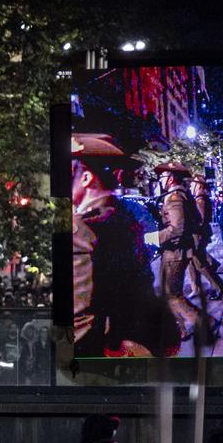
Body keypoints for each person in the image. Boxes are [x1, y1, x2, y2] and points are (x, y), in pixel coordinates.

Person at [71, 134, 176, 357]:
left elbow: (80, 320)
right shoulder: (124, 214)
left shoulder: (82, 230)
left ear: (86, 178)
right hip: (143, 336)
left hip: (111, 350)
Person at [155, 161, 212, 341]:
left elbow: (177, 228)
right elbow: (193, 219)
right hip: (178, 250)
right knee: (169, 293)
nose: (160, 179)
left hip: (175, 252)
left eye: (162, 176)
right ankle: (180, 330)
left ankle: (204, 322)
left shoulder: (174, 197)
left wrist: (153, 237)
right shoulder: (183, 194)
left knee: (173, 295)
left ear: (171, 178)